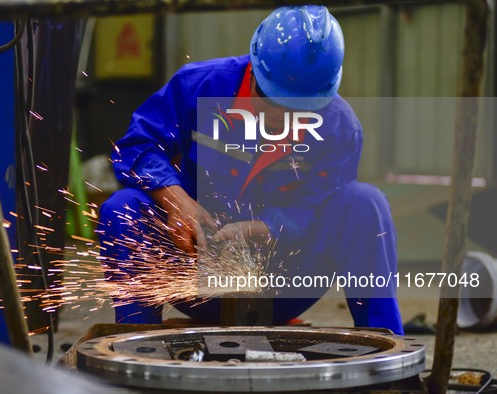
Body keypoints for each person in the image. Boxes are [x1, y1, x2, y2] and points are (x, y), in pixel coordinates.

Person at [98, 5, 404, 334]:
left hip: (286, 285)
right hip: (190, 274)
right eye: (272, 100)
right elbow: (136, 147)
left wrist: (262, 229)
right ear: (255, 71)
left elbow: (316, 209)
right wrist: (177, 203)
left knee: (366, 203)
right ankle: (136, 347)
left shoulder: (340, 127)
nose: (283, 116)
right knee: (122, 208)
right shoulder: (201, 86)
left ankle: (389, 354)